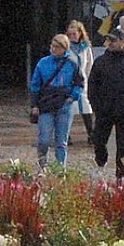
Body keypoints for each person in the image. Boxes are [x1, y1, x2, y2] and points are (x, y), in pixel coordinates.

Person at [87, 23, 124, 179]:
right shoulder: (100, 62)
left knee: (123, 147)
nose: (111, 43)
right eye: (109, 40)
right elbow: (92, 86)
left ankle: (121, 175)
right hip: (104, 111)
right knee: (99, 141)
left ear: (123, 42)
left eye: (114, 40)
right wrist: (95, 106)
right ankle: (101, 162)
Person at [28, 33, 84, 169]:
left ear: (64, 48)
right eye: (52, 46)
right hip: (46, 104)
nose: (53, 49)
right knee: (44, 140)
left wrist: (72, 97)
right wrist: (34, 104)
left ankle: (60, 170)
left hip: (64, 104)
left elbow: (79, 83)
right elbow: (35, 84)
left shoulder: (72, 63)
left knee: (61, 141)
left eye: (57, 47)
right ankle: (43, 165)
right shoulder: (43, 63)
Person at [64, 19, 95, 141]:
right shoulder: (66, 47)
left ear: (80, 33)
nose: (72, 36)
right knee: (67, 107)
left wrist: (89, 79)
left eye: (74, 34)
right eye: (70, 34)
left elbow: (89, 65)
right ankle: (66, 135)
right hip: (68, 81)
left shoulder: (85, 48)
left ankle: (91, 134)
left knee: (86, 107)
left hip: (83, 81)